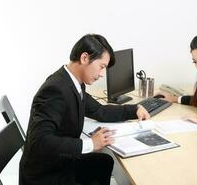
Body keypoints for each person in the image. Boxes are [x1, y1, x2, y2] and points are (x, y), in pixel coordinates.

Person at [19, 34, 150, 185]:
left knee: (104, 162)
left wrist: (135, 110)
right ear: (84, 58)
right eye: (101, 67)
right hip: (46, 176)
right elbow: (39, 142)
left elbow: (99, 111)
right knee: (100, 163)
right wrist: (91, 144)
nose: (102, 74)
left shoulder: (74, 83)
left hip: (60, 164)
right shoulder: (56, 89)